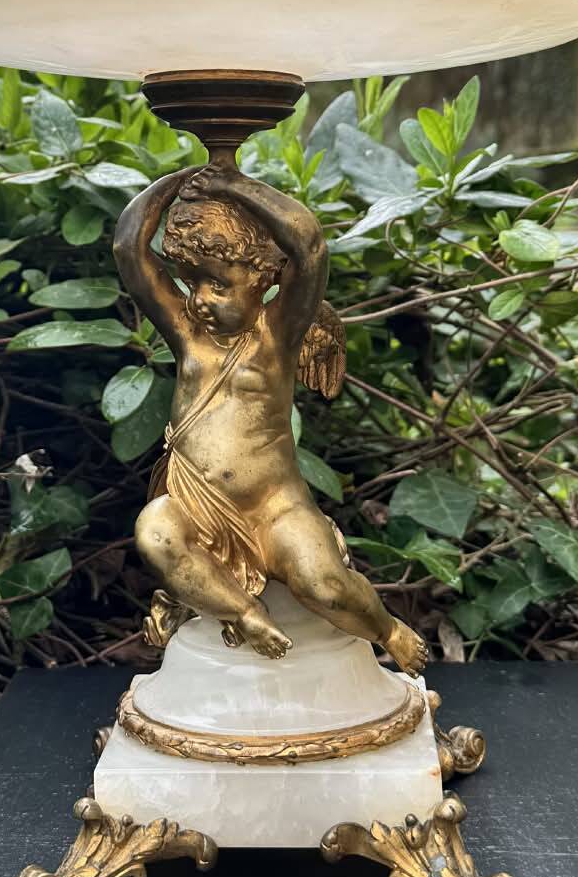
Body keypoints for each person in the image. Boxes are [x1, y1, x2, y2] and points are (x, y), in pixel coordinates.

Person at [113, 159, 427, 672]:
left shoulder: (277, 336)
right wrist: (172, 183)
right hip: (197, 502)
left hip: (274, 506)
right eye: (193, 284)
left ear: (260, 279)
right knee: (155, 531)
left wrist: (236, 186)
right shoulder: (188, 336)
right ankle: (245, 612)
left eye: (218, 285)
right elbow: (129, 250)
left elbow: (310, 248)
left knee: (324, 585)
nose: (200, 300)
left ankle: (387, 630)